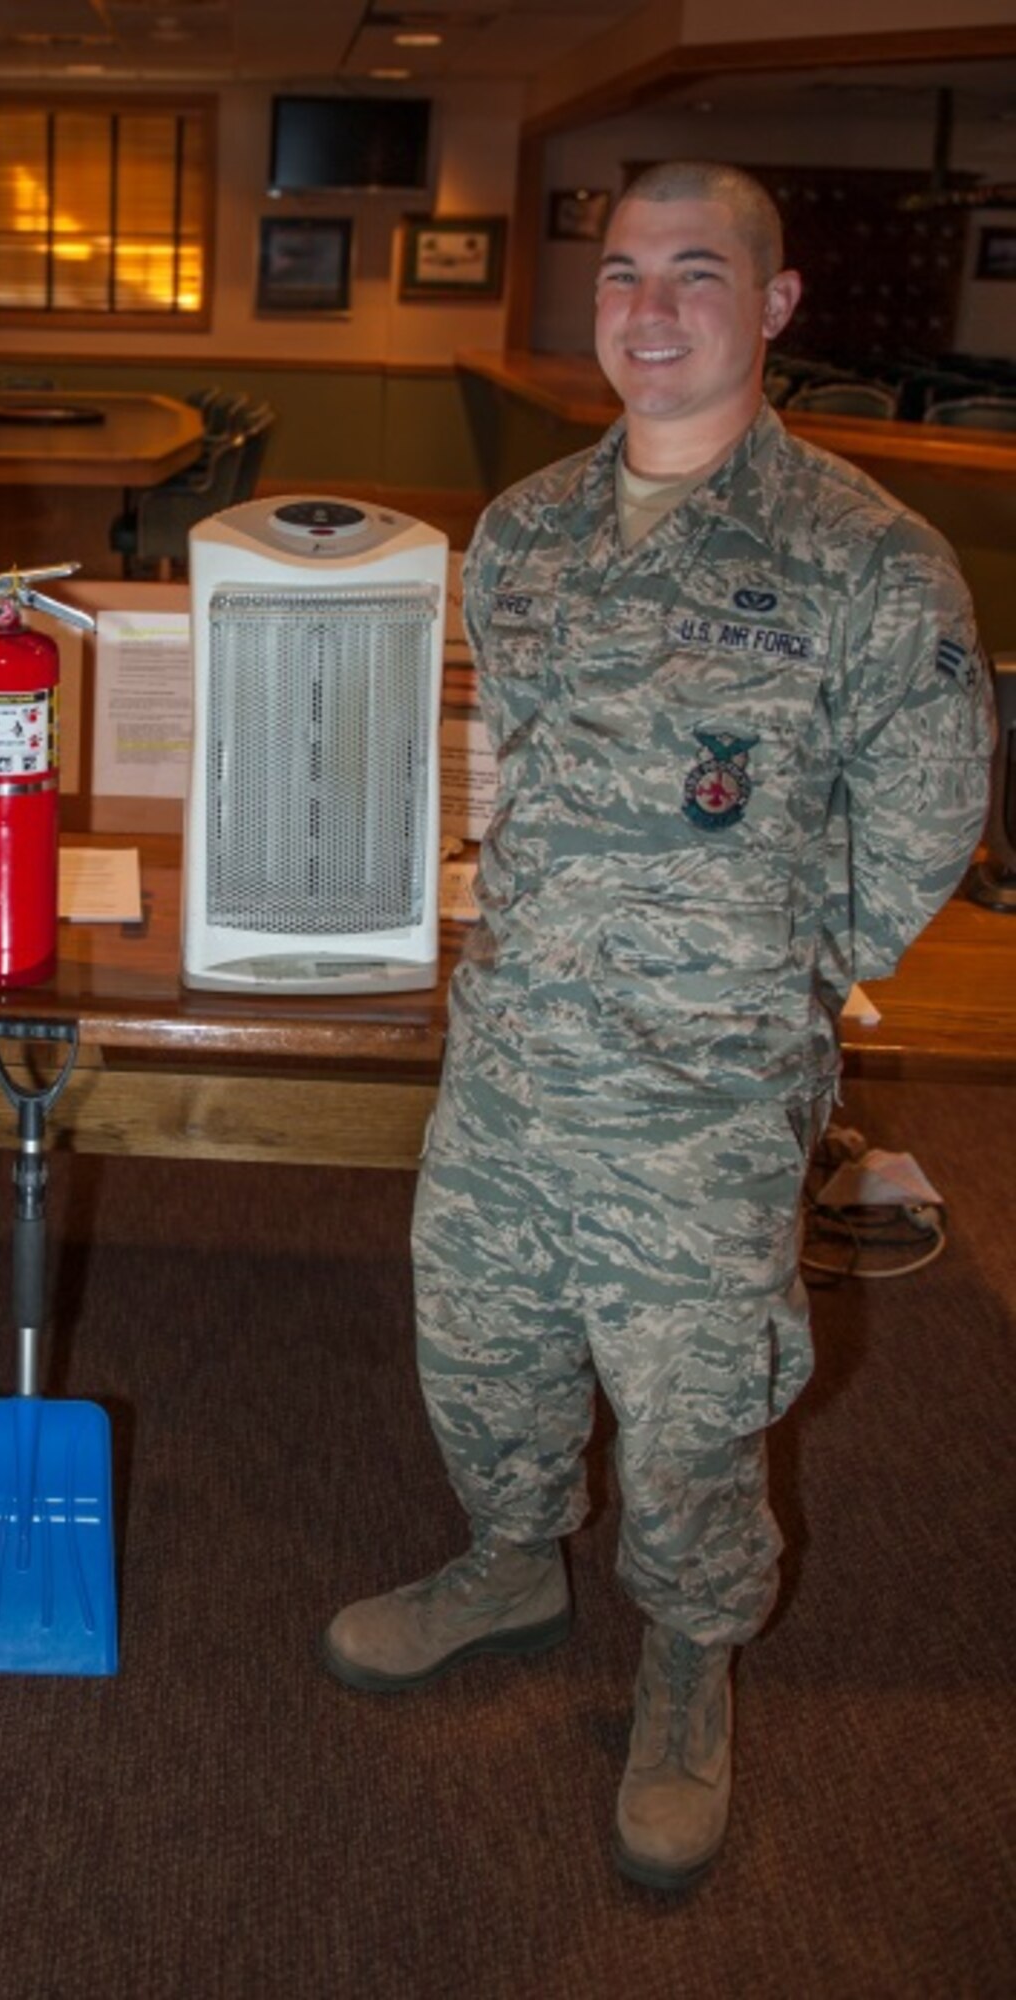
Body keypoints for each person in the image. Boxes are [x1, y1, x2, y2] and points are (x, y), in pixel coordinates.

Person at [322, 162, 993, 1889]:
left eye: (696, 275)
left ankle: (689, 1660)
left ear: (770, 307)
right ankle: (508, 1559)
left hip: (703, 1090)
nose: (649, 311)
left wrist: (772, 964)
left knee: (695, 1410)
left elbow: (927, 820)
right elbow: (519, 765)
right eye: (621, 275)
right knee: (476, 1344)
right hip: (513, 1055)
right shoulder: (530, 529)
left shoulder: (863, 558)